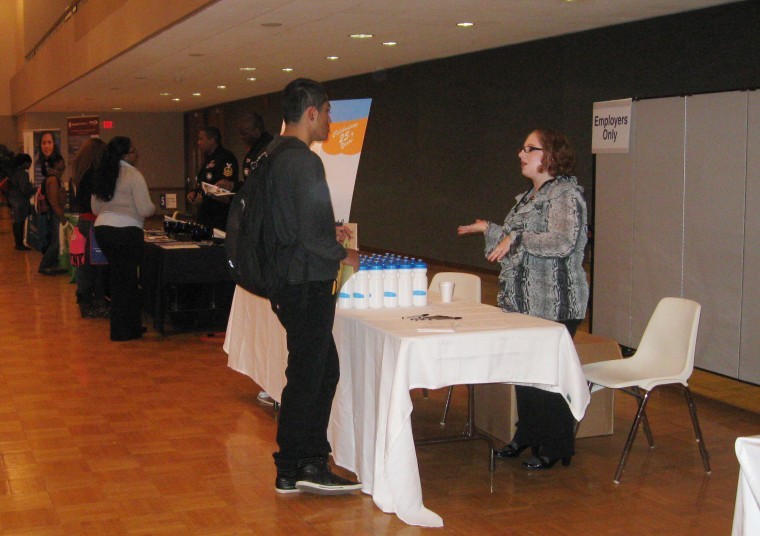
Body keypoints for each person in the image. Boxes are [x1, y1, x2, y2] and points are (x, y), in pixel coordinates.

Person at [458, 128, 589, 470]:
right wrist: (489, 228)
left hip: (554, 301)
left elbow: (560, 242)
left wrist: (515, 237)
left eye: (529, 149)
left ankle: (557, 444)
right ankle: (528, 434)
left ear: (550, 156)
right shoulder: (528, 198)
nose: (521, 154)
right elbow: (510, 242)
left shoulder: (564, 195)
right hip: (523, 303)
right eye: (522, 148)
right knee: (525, 371)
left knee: (548, 376)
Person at [269, 78, 361, 495]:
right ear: (310, 113)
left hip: (291, 279)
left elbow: (295, 223)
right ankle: (295, 466)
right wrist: (345, 254)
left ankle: (305, 461)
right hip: (306, 282)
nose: (330, 119)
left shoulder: (275, 155)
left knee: (321, 371)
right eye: (327, 111)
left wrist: (327, 231)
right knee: (309, 375)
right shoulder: (304, 161)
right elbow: (310, 235)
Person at [92, 137, 155, 341]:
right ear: (125, 155)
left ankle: (129, 326)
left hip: (102, 229)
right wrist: (155, 209)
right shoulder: (133, 175)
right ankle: (123, 330)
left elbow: (95, 208)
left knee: (119, 279)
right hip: (126, 231)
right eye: (134, 151)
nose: (137, 155)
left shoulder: (102, 173)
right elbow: (145, 208)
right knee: (127, 281)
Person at [71, 138, 109, 318]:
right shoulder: (95, 175)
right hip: (94, 224)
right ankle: (97, 302)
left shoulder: (80, 173)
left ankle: (85, 301)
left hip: (81, 224)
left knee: (83, 266)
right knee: (97, 266)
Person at [186, 126, 238, 231]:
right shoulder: (207, 159)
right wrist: (194, 193)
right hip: (204, 215)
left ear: (212, 140)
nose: (198, 142)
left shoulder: (226, 157)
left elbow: (224, 188)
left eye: (201, 139)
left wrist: (203, 198)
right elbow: (203, 181)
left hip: (218, 216)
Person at [38, 154, 69, 275]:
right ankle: (45, 265)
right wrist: (61, 217)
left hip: (55, 213)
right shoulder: (53, 180)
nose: (64, 164)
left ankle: (53, 264)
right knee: (56, 241)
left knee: (57, 240)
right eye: (62, 162)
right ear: (56, 164)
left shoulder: (54, 178)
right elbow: (53, 200)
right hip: (55, 214)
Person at [7, 153, 36, 251]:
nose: (30, 165)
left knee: (16, 222)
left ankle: (18, 243)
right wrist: (34, 189)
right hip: (20, 201)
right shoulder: (23, 173)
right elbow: (25, 189)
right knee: (20, 222)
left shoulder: (13, 172)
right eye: (29, 163)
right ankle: (20, 244)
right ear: (25, 163)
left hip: (12, 199)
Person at [238, 112, 274, 186]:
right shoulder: (254, 148)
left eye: (244, 133)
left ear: (257, 130)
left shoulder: (269, 148)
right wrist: (233, 186)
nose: (241, 137)